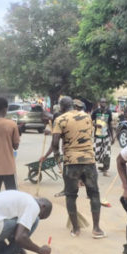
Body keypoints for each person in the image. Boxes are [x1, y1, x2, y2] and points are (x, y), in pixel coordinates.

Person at [40, 96, 105, 238]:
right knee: (94, 193)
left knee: (71, 195)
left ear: (62, 107)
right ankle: (96, 228)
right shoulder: (87, 117)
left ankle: (76, 229)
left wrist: (57, 156)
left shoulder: (60, 120)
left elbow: (55, 143)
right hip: (89, 161)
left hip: (71, 163)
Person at [91, 98, 114, 176]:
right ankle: (93, 169)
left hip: (106, 135)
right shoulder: (96, 111)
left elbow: (110, 124)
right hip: (97, 136)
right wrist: (95, 125)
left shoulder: (109, 112)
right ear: (99, 103)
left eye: (105, 102)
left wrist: (112, 136)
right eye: (102, 102)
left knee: (107, 153)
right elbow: (90, 121)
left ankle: (105, 170)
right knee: (95, 152)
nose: (103, 103)